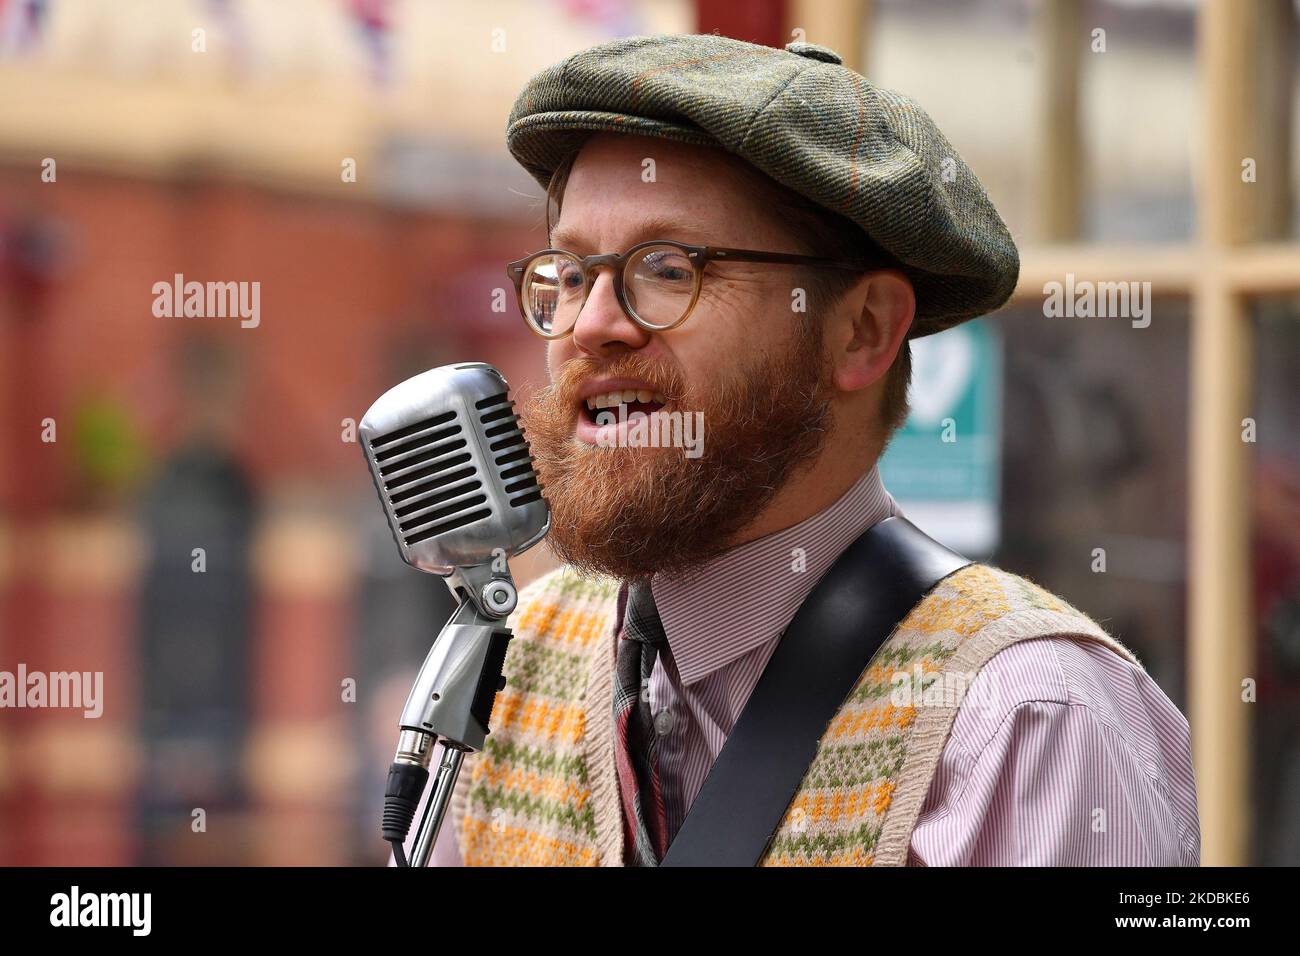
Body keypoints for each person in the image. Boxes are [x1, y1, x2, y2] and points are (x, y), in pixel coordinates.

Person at [424, 33, 1199, 866]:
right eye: (571, 274)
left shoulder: (1031, 724)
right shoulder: (502, 666)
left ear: (861, 331)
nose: (592, 325)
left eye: (669, 269)